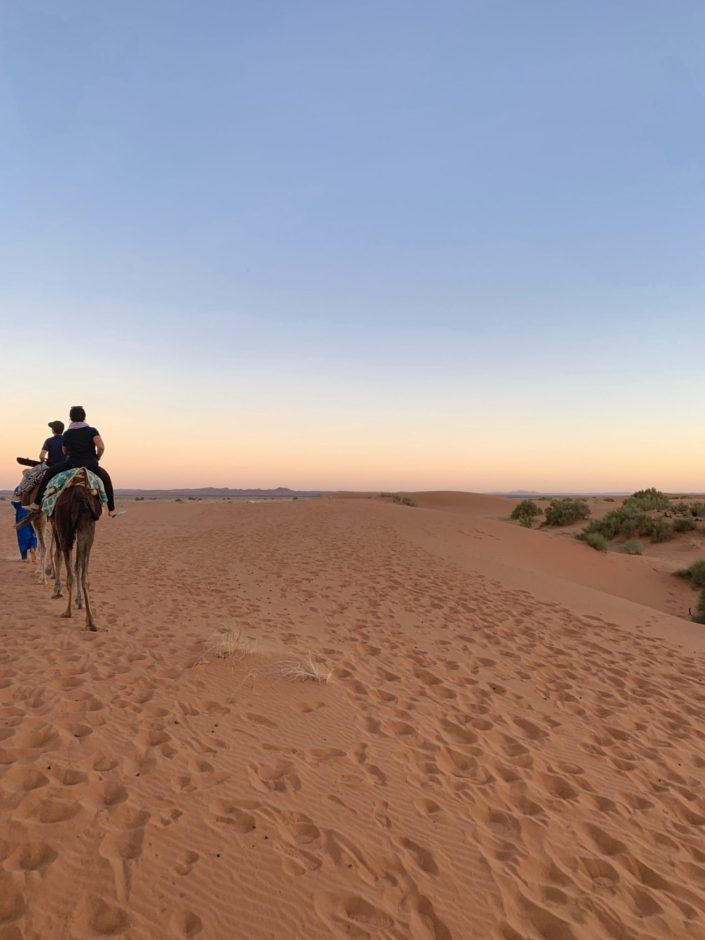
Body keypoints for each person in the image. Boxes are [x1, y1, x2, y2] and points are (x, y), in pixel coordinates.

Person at [29, 405, 116, 517]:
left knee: (48, 473)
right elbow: (101, 446)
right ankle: (111, 509)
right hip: (91, 465)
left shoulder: (67, 433)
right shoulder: (92, 431)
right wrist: (97, 457)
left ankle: (36, 504)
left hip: (71, 464)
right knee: (106, 479)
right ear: (84, 417)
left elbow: (65, 451)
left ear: (71, 418)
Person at [12, 474, 38, 561]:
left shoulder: (18, 488)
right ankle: (33, 547)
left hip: (21, 512)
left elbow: (14, 502)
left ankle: (24, 557)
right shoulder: (34, 487)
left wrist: (19, 508)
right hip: (33, 512)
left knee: (22, 535)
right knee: (33, 532)